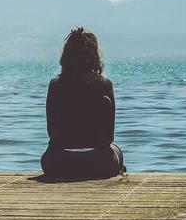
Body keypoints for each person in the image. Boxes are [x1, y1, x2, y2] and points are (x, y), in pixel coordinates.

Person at [41, 27, 125, 178]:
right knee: (116, 150)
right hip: (99, 163)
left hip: (58, 163)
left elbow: (51, 132)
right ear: (95, 56)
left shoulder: (55, 85)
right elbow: (109, 137)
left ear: (66, 55)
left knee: (47, 156)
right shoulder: (105, 84)